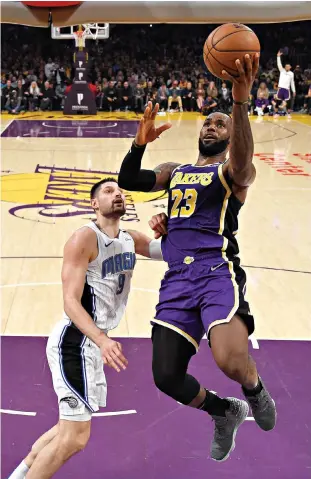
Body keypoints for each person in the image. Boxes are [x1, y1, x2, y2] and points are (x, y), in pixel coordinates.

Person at [118, 54, 276, 462]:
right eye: (209, 122)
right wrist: (139, 144)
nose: (212, 126)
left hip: (216, 272)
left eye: (220, 123)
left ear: (230, 134)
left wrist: (240, 103)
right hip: (177, 278)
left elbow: (242, 163)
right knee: (166, 375)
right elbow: (129, 181)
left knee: (227, 359)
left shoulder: (233, 173)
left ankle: (254, 388)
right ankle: (224, 412)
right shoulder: (177, 170)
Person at [8, 178, 165, 479]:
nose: (116, 194)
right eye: (108, 191)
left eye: (120, 191)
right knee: (75, 437)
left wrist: (170, 230)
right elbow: (70, 301)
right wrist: (102, 339)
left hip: (90, 344)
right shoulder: (84, 238)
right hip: (75, 341)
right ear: (94, 204)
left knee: (68, 428)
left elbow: (168, 251)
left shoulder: (131, 238)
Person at [275, 50, 296, 118]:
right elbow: (279, 64)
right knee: (278, 101)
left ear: (290, 67)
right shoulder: (282, 70)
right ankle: (276, 113)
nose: (286, 67)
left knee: (288, 103)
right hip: (280, 88)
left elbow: (292, 83)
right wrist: (278, 57)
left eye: (288, 66)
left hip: (287, 89)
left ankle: (288, 114)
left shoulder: (291, 74)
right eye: (286, 66)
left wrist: (294, 91)